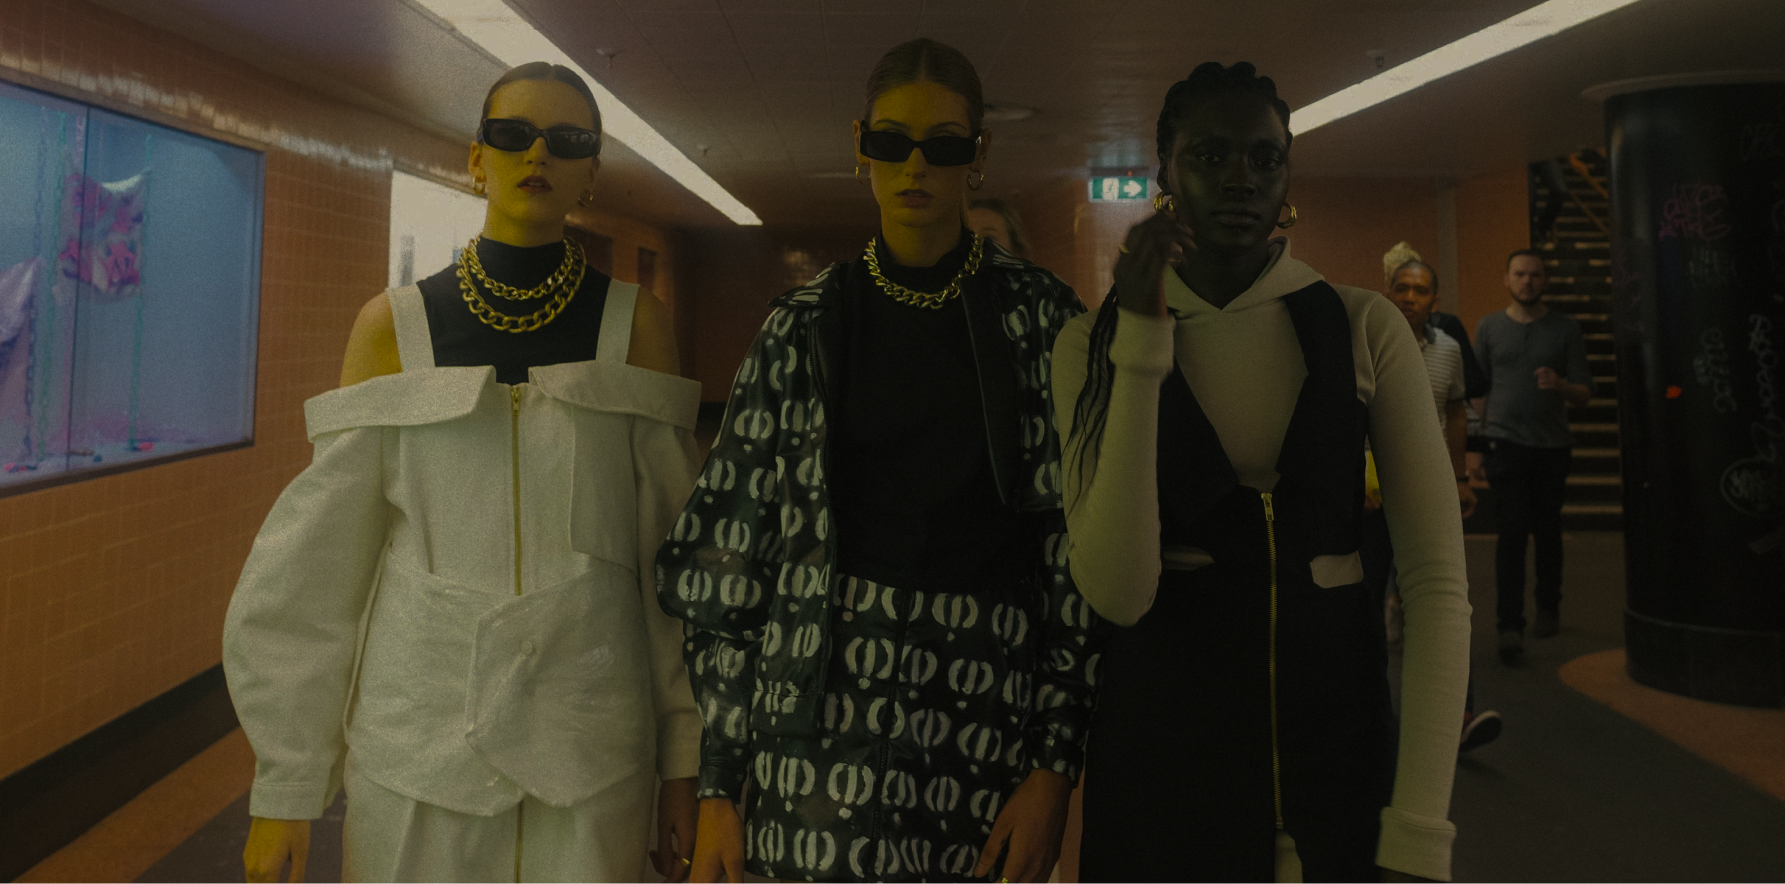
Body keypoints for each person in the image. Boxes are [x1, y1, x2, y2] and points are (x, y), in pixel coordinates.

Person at [222, 62, 702, 882]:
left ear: (591, 171)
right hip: (420, 763)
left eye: (568, 140)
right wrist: (287, 786)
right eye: (511, 135)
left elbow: (669, 565)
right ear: (477, 158)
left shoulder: (636, 330)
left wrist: (682, 758)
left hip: (588, 759)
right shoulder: (392, 330)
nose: (536, 154)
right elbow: (314, 571)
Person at [658, 37, 1105, 884]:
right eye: (891, 141)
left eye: (943, 145)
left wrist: (1053, 765)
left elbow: (1070, 565)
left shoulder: (1043, 322)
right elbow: (729, 569)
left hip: (982, 718)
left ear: (978, 156)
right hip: (813, 725)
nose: (915, 166)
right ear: (859, 143)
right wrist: (719, 781)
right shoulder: (800, 328)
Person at [1054, 62, 1471, 881]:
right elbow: (1117, 590)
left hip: (1335, 755)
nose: (1239, 179)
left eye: (1263, 157)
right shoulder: (1091, 346)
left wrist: (1419, 828)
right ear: (1163, 171)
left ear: (1286, 173)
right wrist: (1140, 348)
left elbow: (1434, 582)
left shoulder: (1361, 324)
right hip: (1162, 769)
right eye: (1208, 156)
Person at [1376, 243, 1503, 754]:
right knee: (1366, 607)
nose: (1409, 297)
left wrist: (1460, 479)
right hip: (1373, 494)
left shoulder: (1449, 349)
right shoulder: (1369, 342)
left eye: (1420, 290)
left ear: (1436, 299)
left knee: (1444, 602)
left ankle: (1459, 717)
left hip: (1428, 492)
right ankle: (1372, 720)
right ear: (1389, 294)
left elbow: (1454, 415)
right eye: (1401, 288)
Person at [1476, 249, 1592, 663]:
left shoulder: (1566, 329)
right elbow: (1480, 389)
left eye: (1535, 275)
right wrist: (1482, 439)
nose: (1527, 281)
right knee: (1510, 534)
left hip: (1551, 447)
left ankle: (1548, 606)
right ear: (1506, 279)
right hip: (1505, 445)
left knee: (1547, 531)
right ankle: (1509, 624)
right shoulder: (1488, 327)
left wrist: (1560, 384)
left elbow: (1584, 393)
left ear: (1545, 281)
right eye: (1520, 274)